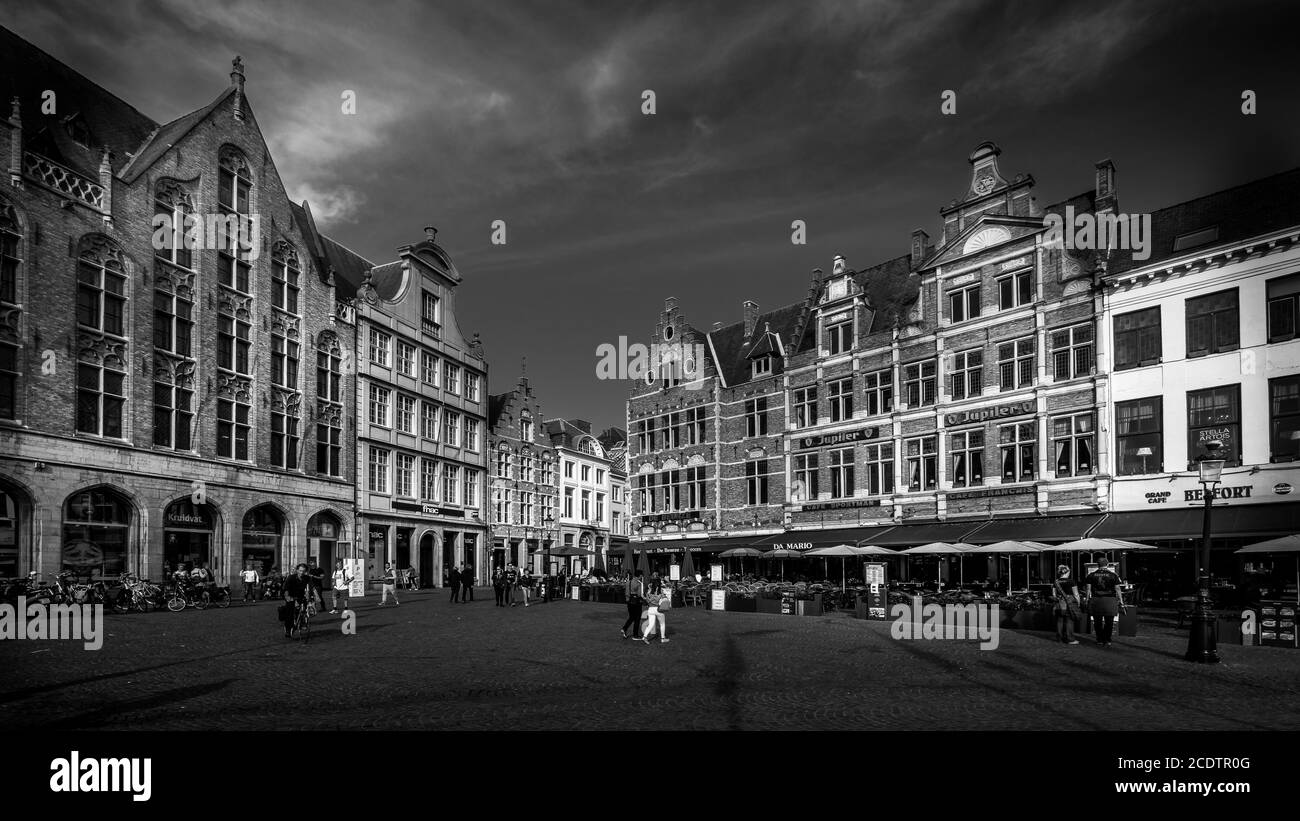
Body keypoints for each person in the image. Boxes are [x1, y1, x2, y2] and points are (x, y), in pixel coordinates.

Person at [1085, 557, 1124, 646]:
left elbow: (1088, 588)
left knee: (1097, 621)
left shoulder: (1091, 575)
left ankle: (1099, 639)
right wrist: (1121, 600)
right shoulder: (1113, 575)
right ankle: (1107, 639)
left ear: (1097, 565)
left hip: (1096, 600)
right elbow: (1117, 588)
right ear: (1107, 564)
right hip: (1110, 600)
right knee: (1109, 621)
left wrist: (1087, 599)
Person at [281, 563, 315, 638]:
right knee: (289, 612)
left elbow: (311, 588)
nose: (301, 572)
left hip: (301, 596)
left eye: (303, 571)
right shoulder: (291, 577)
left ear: (306, 571)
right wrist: (288, 598)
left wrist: (313, 597)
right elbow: (286, 588)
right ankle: (287, 629)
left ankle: (303, 622)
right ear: (297, 570)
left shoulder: (307, 578)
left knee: (304, 609)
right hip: (291, 596)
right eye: (300, 571)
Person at [1052, 565, 1081, 645]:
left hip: (1059, 603)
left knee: (1059, 620)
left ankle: (1059, 638)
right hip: (1069, 603)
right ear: (1067, 572)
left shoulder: (1056, 581)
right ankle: (1070, 639)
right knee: (1069, 620)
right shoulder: (1071, 581)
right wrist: (1078, 602)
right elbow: (1076, 594)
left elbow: (1054, 594)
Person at [622, 569, 645, 639]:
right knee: (637, 618)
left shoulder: (628, 582)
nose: (642, 577)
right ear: (640, 575)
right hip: (637, 602)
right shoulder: (639, 583)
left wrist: (628, 600)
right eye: (641, 575)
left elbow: (626, 593)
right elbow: (639, 594)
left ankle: (624, 628)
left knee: (631, 617)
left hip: (629, 601)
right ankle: (635, 635)